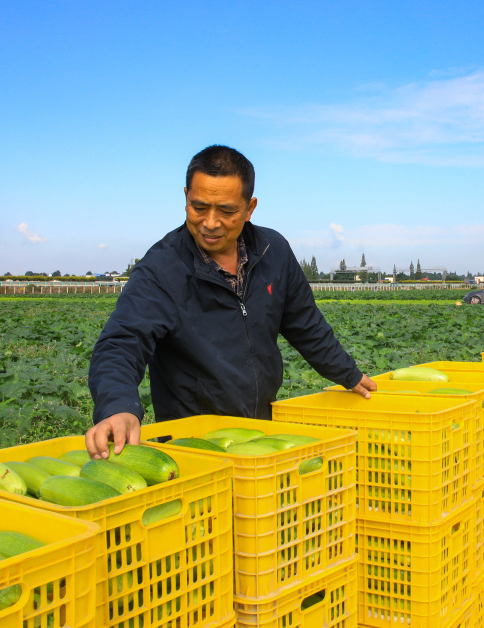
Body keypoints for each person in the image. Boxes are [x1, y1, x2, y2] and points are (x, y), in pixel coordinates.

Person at [85, 145, 377, 459]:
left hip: (261, 431)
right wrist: (117, 406)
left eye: (226, 211)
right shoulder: (162, 269)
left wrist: (348, 373)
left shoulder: (272, 251)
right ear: (186, 197)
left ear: (249, 208)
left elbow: (305, 324)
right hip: (195, 445)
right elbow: (123, 341)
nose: (210, 223)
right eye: (199, 207)